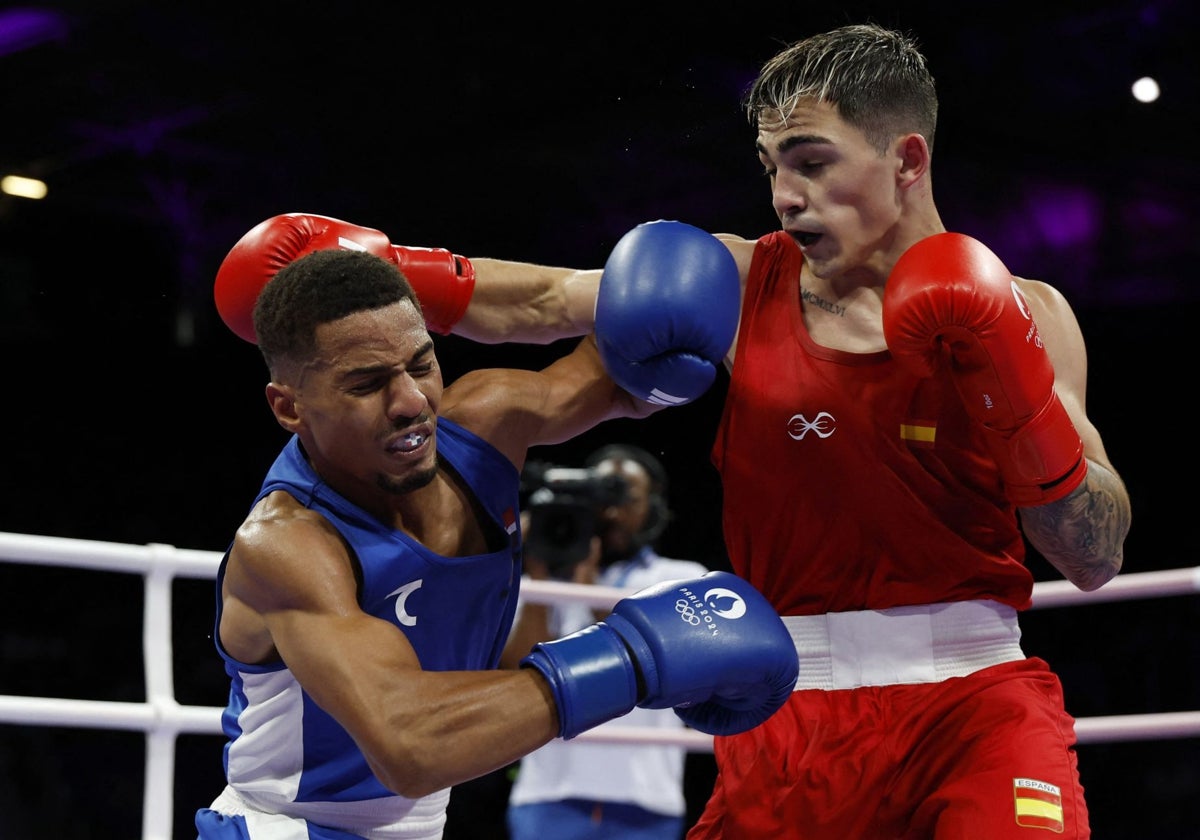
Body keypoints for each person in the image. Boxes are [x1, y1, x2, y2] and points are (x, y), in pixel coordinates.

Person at [213, 24, 1133, 837]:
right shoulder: (736, 284)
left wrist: (1015, 397)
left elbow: (1093, 556)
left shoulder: (1028, 314)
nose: (784, 196)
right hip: (790, 710)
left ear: (907, 159)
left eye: (811, 162)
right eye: (772, 167)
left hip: (975, 701)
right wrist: (360, 263)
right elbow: (538, 299)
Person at [194, 243, 801, 839]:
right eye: (366, 384)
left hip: (420, 825)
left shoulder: (485, 423)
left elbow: (629, 364)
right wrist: (632, 658)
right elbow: (410, 746)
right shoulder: (288, 546)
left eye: (421, 364)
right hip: (286, 827)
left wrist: (688, 297)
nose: (411, 402)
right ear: (289, 408)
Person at [501, 444, 708, 840]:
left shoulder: (682, 578)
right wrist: (541, 577)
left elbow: (663, 655)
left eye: (624, 497)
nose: (611, 512)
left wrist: (588, 587)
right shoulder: (538, 585)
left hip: (646, 798)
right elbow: (514, 674)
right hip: (549, 794)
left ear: (654, 504)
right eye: (601, 498)